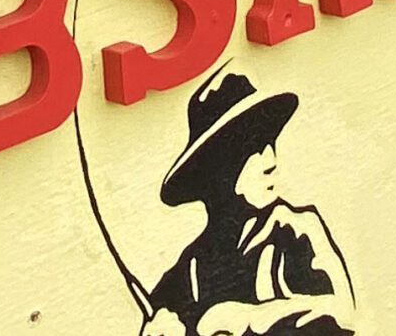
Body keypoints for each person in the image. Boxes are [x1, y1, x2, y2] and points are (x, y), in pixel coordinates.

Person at [142, 72, 357, 336]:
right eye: (252, 147)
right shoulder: (192, 266)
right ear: (219, 170)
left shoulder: (294, 229)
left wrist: (246, 318)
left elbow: (340, 314)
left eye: (270, 142)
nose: (271, 160)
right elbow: (158, 315)